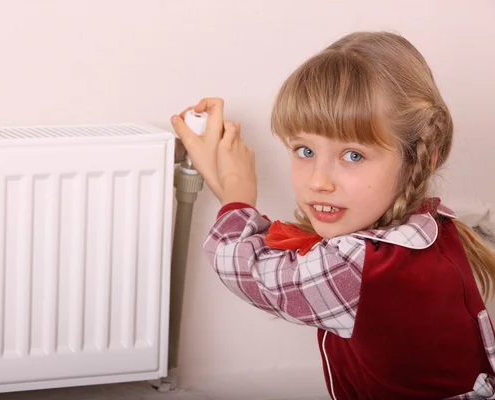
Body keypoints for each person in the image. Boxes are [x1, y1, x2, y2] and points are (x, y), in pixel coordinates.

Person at [170, 31, 495, 399]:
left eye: (353, 155)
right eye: (304, 150)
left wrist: (235, 195)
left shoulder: (360, 270)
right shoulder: (433, 226)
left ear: (417, 160)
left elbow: (244, 268)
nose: (319, 182)